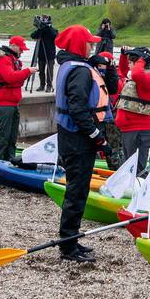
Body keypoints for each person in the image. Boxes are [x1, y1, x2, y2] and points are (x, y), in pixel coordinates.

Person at [54, 25, 119, 262]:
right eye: (89, 43)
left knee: (77, 189)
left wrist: (109, 68)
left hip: (71, 137)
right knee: (77, 191)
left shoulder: (70, 65)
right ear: (79, 45)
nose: (93, 46)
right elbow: (78, 109)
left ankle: (70, 239)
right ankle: (68, 246)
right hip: (78, 139)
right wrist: (98, 138)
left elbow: (109, 89)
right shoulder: (80, 71)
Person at [0, 35, 37, 162]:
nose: (22, 52)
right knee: (3, 136)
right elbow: (10, 77)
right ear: (13, 46)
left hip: (12, 103)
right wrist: (27, 71)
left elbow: (14, 78)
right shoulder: (3, 60)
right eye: (21, 49)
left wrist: (25, 73)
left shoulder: (11, 59)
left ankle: (10, 160)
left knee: (12, 136)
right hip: (4, 103)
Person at [115, 45, 150, 173]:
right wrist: (123, 55)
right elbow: (122, 72)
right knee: (129, 164)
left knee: (136, 167)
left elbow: (136, 73)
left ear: (139, 64)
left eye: (131, 62)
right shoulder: (138, 76)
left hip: (139, 131)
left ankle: (138, 185)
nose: (129, 65)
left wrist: (141, 58)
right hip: (130, 130)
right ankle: (132, 184)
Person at [30, 15, 58, 92]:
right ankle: (42, 85)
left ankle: (49, 86)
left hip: (50, 54)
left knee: (49, 70)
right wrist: (41, 29)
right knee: (41, 70)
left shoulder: (53, 30)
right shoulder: (40, 30)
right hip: (41, 53)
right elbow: (32, 35)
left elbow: (55, 36)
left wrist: (48, 27)